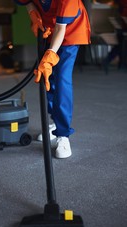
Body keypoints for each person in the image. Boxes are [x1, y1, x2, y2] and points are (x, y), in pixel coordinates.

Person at [14, 0, 91, 158]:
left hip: (71, 30)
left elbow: (61, 28)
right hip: (50, 29)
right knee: (47, 76)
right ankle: (55, 122)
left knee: (62, 78)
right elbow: (27, 2)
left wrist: (50, 55)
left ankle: (63, 135)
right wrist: (33, 15)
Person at [103, 0, 127, 73]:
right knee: (121, 44)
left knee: (120, 45)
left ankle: (110, 61)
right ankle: (121, 64)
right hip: (122, 26)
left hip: (120, 26)